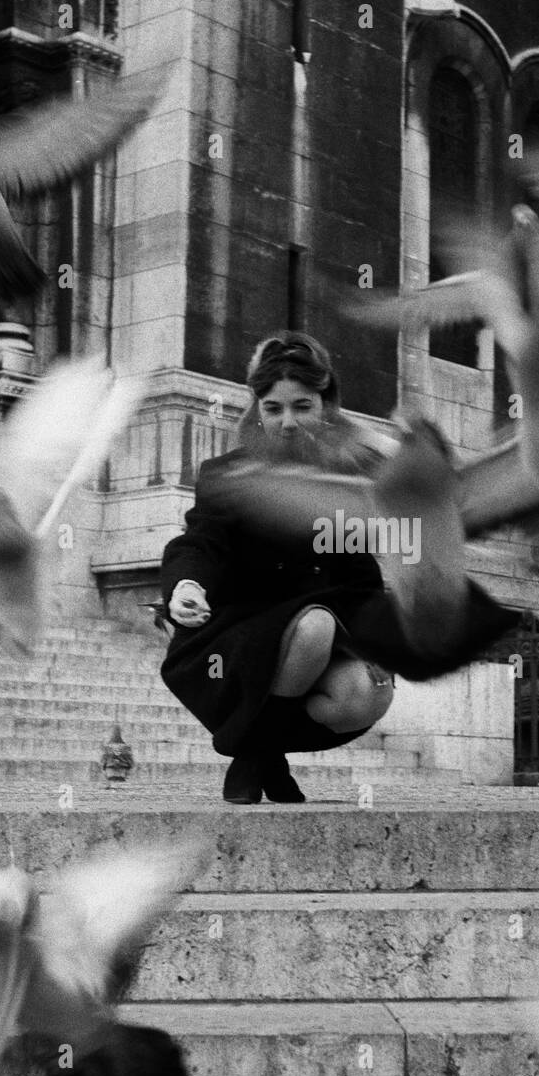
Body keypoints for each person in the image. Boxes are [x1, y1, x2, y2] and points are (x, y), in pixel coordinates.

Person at [160, 332, 395, 804]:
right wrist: (187, 585)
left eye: (302, 406)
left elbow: (358, 571)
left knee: (368, 693)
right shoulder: (227, 473)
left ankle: (259, 748)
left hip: (320, 635)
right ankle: (255, 758)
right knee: (313, 625)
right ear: (258, 409)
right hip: (238, 634)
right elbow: (202, 539)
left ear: (325, 408)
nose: (287, 422)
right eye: (273, 408)